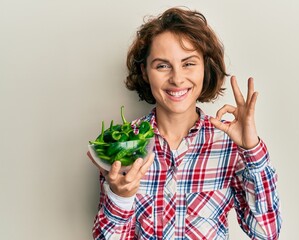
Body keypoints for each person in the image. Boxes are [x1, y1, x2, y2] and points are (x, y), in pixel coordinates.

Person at [88, 7, 281, 240]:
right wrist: (120, 197)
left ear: (205, 68)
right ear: (145, 71)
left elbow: (265, 233)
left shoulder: (228, 143)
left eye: (188, 63)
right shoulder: (124, 143)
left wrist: (251, 150)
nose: (177, 78)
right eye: (162, 65)